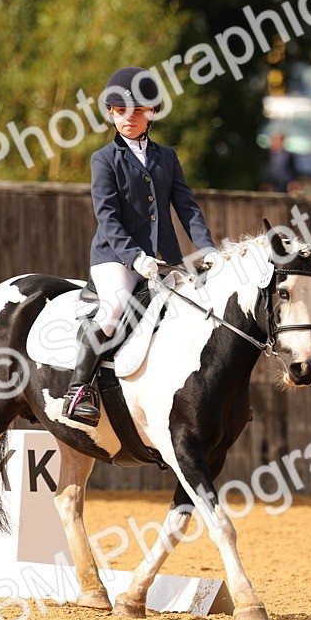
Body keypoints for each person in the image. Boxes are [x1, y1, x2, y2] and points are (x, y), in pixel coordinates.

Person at [65, 66, 218, 426]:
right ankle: (79, 390)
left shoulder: (167, 157)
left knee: (200, 311)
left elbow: (186, 206)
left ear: (152, 113)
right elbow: (107, 217)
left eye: (136, 111)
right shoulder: (104, 159)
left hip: (165, 260)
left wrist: (206, 249)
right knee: (114, 310)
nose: (128, 118)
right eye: (120, 111)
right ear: (110, 113)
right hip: (116, 258)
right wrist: (135, 258)